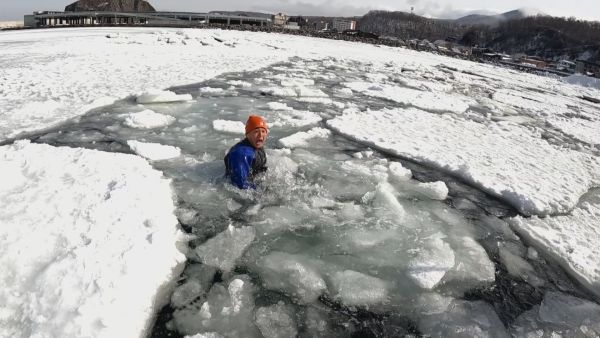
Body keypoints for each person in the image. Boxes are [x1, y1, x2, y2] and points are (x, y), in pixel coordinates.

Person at [224, 115, 268, 189]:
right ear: (247, 135)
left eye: (263, 131)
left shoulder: (257, 146)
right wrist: (261, 191)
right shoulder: (242, 154)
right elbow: (239, 185)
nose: (260, 135)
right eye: (256, 132)